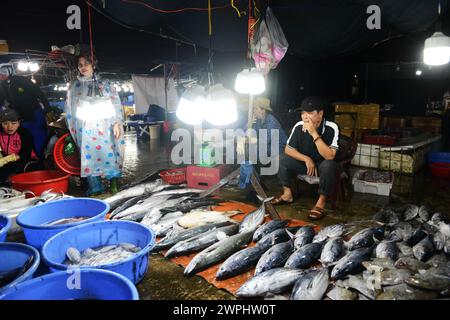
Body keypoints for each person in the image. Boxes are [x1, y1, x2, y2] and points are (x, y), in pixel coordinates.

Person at [271, 96, 340, 221]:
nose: (305, 116)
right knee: (280, 158)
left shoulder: (332, 127)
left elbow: (330, 156)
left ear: (320, 114)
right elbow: (288, 149)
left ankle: (320, 203)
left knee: (329, 164)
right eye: (303, 113)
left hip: (322, 167)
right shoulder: (299, 126)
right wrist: (306, 159)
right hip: (306, 165)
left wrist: (314, 133)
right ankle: (287, 194)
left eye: (310, 113)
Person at [65, 54, 125, 196]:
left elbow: (115, 104)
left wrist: (117, 123)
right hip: (84, 130)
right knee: (88, 158)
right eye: (80, 65)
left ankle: (114, 184)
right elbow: (69, 109)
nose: (83, 67)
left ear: (94, 64)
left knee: (110, 154)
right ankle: (95, 188)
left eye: (86, 63)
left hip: (105, 127)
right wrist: (72, 129)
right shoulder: (74, 86)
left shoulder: (105, 84)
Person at [0, 72, 50, 160]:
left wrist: (48, 109)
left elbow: (38, 92)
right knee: (27, 139)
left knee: (39, 138)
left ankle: (41, 159)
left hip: (35, 113)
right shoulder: (2, 86)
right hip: (22, 117)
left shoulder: (20, 79)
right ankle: (31, 160)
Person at [0, 108, 41, 184]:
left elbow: (25, 154)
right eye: (5, 123)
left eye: (13, 123)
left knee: (18, 171)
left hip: (27, 161)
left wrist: (7, 159)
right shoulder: (0, 134)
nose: (9, 127)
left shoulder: (25, 134)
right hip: (8, 164)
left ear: (19, 123)